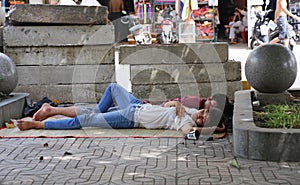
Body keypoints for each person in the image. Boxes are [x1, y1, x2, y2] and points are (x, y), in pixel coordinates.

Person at [17, 83, 225, 134]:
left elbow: (190, 134)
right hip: (137, 106)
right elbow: (167, 104)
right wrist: (177, 104)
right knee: (113, 87)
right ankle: (50, 110)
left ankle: (39, 123)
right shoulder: (189, 111)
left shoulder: (187, 124)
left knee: (85, 120)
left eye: (204, 117)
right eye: (205, 111)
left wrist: (211, 130)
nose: (202, 113)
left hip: (130, 117)